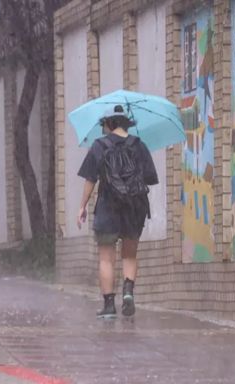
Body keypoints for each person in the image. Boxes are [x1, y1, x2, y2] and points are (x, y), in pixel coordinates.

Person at [76, 105, 158, 318]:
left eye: (104, 123)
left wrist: (82, 206)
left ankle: (109, 306)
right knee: (129, 255)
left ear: (110, 123)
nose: (103, 127)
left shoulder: (99, 146)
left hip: (108, 206)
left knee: (106, 258)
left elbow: (90, 179)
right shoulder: (139, 146)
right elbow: (150, 178)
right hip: (134, 207)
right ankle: (128, 292)